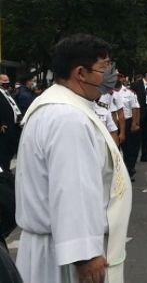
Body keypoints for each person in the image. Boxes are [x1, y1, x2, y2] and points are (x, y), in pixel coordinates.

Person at [15, 34, 132, 283]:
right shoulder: (68, 118)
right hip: (64, 256)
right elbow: (73, 188)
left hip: (56, 244)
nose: (109, 76)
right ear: (80, 73)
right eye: (103, 68)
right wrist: (85, 255)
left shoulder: (57, 106)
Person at [115, 77, 141, 180]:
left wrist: (135, 123)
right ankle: (117, 174)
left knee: (128, 149)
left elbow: (135, 108)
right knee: (115, 149)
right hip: (112, 123)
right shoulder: (106, 92)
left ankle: (129, 171)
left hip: (127, 121)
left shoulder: (129, 92)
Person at [0, 75, 21, 172]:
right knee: (5, 151)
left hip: (14, 125)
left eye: (8, 80)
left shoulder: (7, 93)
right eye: (4, 81)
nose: (7, 82)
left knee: (12, 149)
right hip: (5, 127)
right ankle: (5, 172)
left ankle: (7, 170)